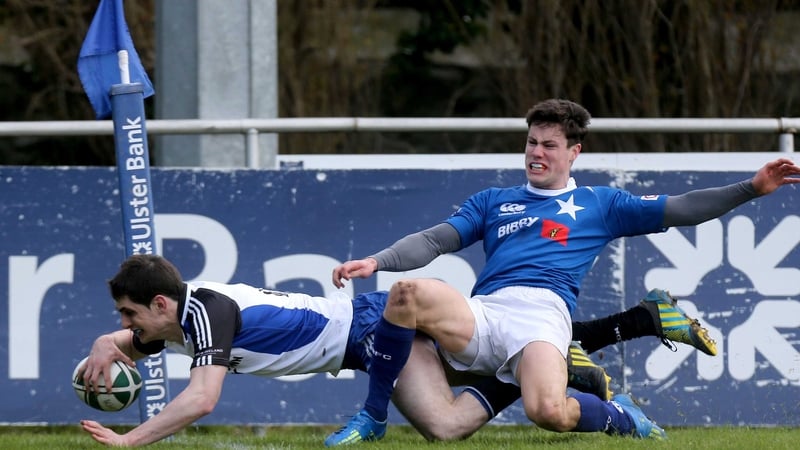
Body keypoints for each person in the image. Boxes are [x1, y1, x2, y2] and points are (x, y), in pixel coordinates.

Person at [325, 98, 800, 446]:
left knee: (549, 411)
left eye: (549, 145)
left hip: (542, 319)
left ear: (574, 152)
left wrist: (751, 188)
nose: (537, 153)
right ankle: (372, 418)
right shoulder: (494, 201)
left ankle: (618, 416)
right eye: (532, 142)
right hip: (485, 313)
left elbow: (682, 208)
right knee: (406, 295)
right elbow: (435, 240)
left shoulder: (600, 204)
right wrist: (378, 261)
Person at [78, 255, 711, 446]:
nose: (127, 325)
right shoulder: (177, 317)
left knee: (460, 407)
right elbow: (142, 339)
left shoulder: (204, 312)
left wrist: (131, 443)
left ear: (159, 303)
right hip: (361, 343)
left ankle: (617, 406)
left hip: (374, 327)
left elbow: (202, 399)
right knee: (458, 413)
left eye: (129, 313)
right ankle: (632, 325)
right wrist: (109, 340)